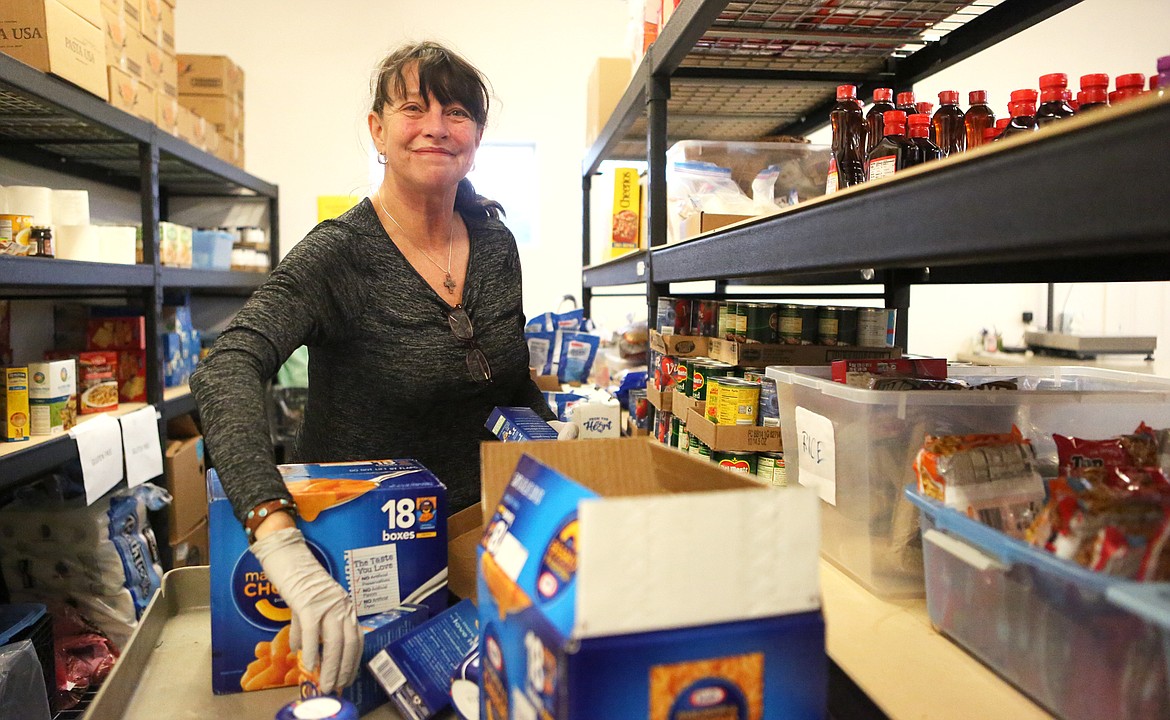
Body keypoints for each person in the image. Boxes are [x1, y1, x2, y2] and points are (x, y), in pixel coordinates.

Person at [190, 40, 570, 693]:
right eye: (412, 107)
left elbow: (508, 384)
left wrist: (566, 455)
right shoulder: (339, 255)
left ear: (476, 137)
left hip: (481, 551)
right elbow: (226, 364)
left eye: (456, 112)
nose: (435, 126)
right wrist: (276, 537)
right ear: (378, 130)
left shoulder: (496, 245)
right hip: (355, 566)